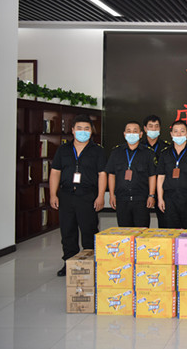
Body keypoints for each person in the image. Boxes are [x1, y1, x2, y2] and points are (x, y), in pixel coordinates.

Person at [50, 115, 107, 277]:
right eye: (79, 128)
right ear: (73, 130)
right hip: (66, 195)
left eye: (86, 128)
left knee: (89, 230)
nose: (83, 131)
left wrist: (101, 196)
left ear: (91, 131)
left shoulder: (97, 150)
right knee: (67, 231)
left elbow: (102, 174)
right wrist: (53, 194)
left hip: (87, 195)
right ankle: (69, 263)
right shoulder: (63, 149)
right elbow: (55, 172)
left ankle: (89, 263)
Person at [105, 121, 157, 228]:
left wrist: (151, 195)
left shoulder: (148, 153)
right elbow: (111, 175)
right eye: (129, 131)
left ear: (141, 134)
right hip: (121, 199)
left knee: (142, 231)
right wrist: (111, 195)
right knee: (124, 231)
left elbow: (152, 176)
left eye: (135, 131)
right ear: (124, 134)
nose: (131, 134)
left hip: (141, 200)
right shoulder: (116, 152)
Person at [156, 120, 187, 229]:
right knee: (171, 231)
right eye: (176, 131)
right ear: (171, 134)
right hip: (169, 198)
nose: (179, 134)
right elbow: (160, 177)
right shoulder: (165, 153)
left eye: (182, 131)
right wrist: (160, 198)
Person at [140, 115, 171, 228]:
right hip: (143, 189)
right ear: (145, 128)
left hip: (162, 190)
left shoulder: (167, 147)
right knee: (141, 223)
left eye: (156, 126)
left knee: (164, 223)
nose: (154, 129)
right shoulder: (139, 146)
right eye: (150, 126)